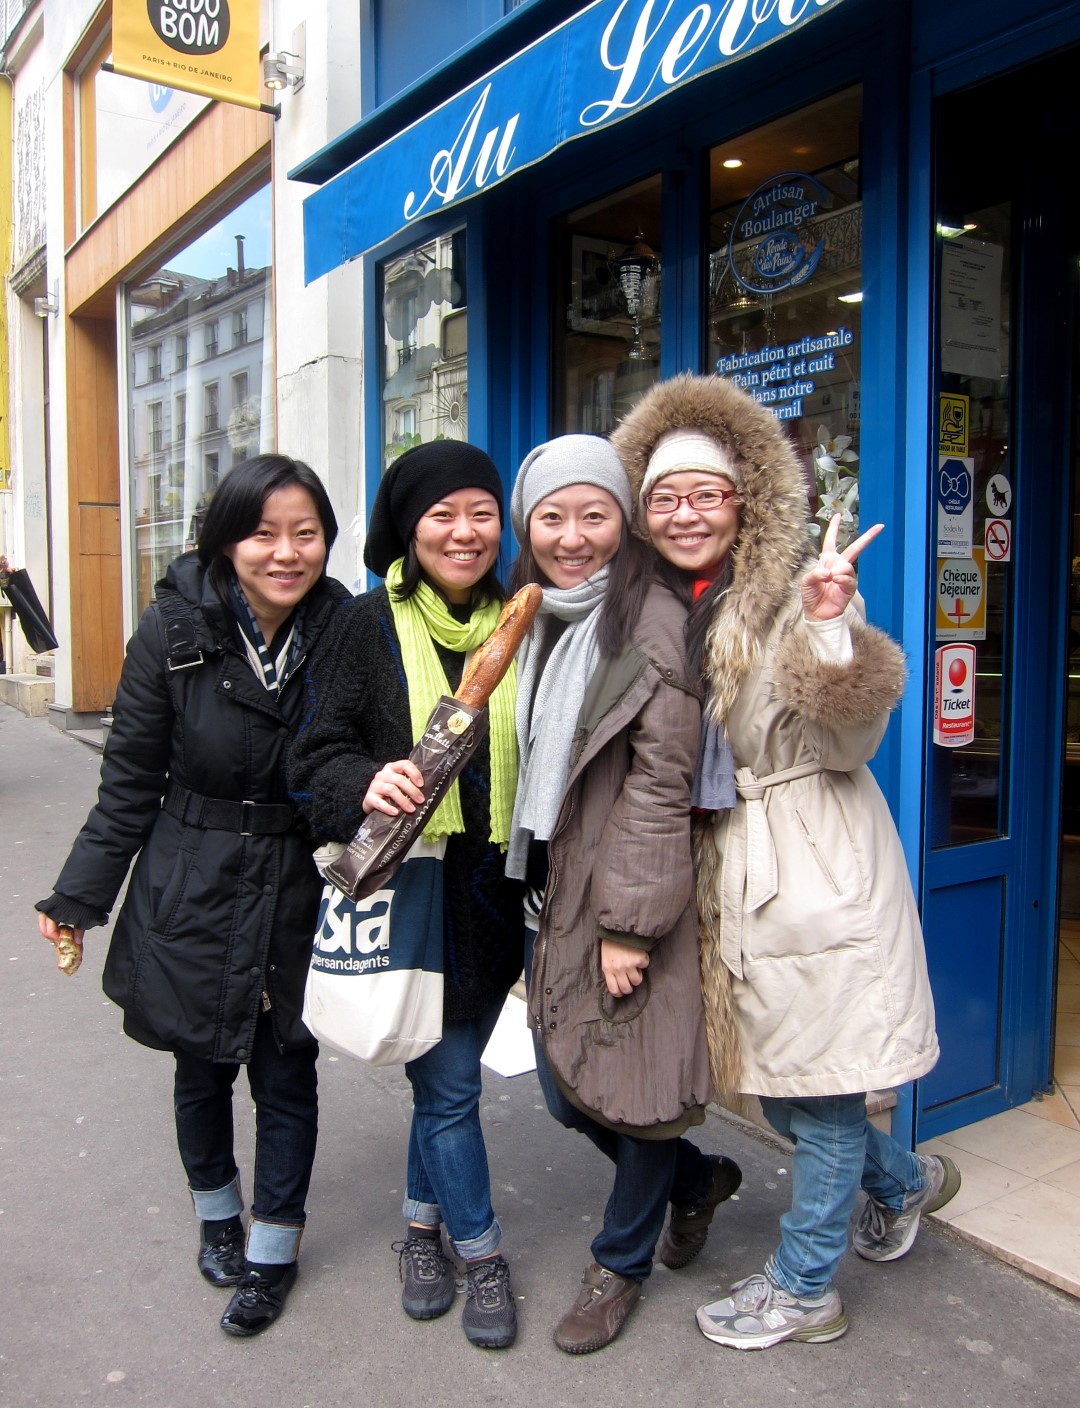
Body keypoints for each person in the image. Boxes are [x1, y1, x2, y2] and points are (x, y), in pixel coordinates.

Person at [611, 374, 960, 1350]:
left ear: (746, 502)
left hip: (815, 866)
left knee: (828, 1089)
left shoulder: (794, 595)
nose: (686, 513)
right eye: (666, 496)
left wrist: (828, 628)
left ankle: (805, 1287)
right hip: (730, 878)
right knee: (782, 1085)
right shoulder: (645, 611)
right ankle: (908, 1181)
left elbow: (849, 744)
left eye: (707, 494)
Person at [36, 455, 351, 1338]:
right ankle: (218, 1213)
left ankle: (274, 1249)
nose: (286, 553)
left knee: (288, 1069)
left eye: (306, 534)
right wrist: (77, 897)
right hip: (194, 878)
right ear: (225, 540)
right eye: (262, 533)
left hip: (299, 882)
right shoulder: (173, 630)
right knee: (203, 1064)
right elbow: (129, 782)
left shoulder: (345, 629)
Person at [506, 435, 741, 1355]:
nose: (573, 536)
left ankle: (619, 1264)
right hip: (556, 885)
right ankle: (695, 1182)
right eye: (552, 517)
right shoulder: (541, 616)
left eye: (593, 515)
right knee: (570, 1091)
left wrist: (630, 926)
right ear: (529, 525)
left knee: (634, 1088)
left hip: (624, 896)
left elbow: (661, 778)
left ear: (623, 521)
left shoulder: (646, 617)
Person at [287, 441, 524, 1351]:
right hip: (412, 892)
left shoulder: (519, 619)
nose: (463, 533)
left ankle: (420, 1232)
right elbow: (314, 754)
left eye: (480, 514)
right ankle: (484, 1254)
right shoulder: (365, 621)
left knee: (442, 1085)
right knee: (455, 1087)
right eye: (441, 515)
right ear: (408, 526)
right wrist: (366, 780)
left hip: (494, 895)